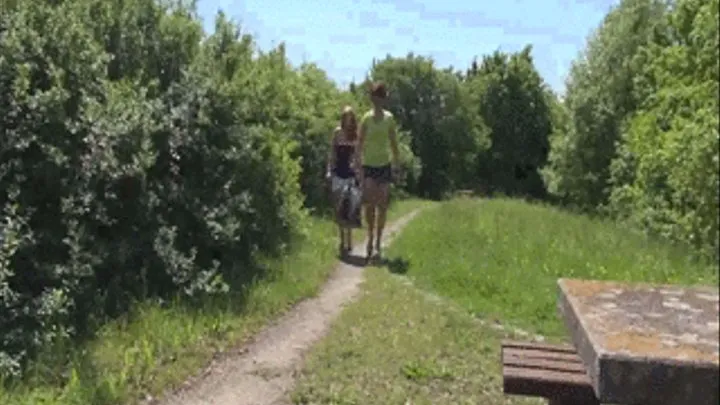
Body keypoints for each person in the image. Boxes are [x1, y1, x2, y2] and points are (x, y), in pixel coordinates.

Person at [357, 82, 400, 261]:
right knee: (369, 204)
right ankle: (370, 235)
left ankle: (378, 241)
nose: (376, 100)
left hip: (384, 164)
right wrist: (357, 165)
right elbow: (359, 143)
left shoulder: (389, 119)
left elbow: (393, 142)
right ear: (371, 98)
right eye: (374, 96)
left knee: (382, 205)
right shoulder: (366, 118)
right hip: (369, 165)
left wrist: (397, 163)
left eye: (379, 97)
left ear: (383, 99)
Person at [326, 106, 362, 256]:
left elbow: (359, 155)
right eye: (346, 116)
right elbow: (332, 153)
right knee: (339, 208)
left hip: (351, 174)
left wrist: (360, 171)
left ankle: (349, 240)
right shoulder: (337, 132)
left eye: (350, 117)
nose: (348, 119)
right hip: (338, 172)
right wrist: (328, 170)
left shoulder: (356, 134)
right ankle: (341, 240)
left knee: (350, 207)